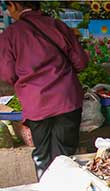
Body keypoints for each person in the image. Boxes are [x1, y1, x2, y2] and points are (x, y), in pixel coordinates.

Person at [0, 1, 88, 178]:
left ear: (15, 5)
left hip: (36, 103)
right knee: (66, 154)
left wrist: (28, 80)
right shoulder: (58, 26)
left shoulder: (10, 34)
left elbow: (8, 74)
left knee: (42, 154)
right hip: (66, 99)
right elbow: (81, 61)